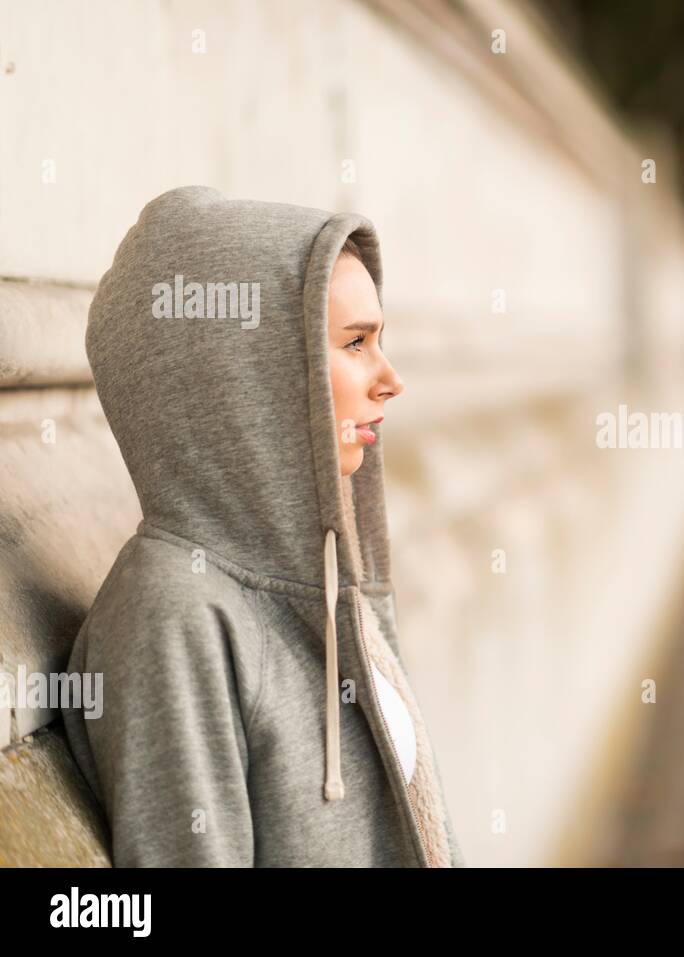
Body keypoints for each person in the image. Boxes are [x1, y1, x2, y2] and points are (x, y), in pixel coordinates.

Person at [60, 185, 465, 867]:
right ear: (247, 371)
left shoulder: (331, 584)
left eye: (379, 339)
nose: (390, 377)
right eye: (355, 343)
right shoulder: (173, 614)